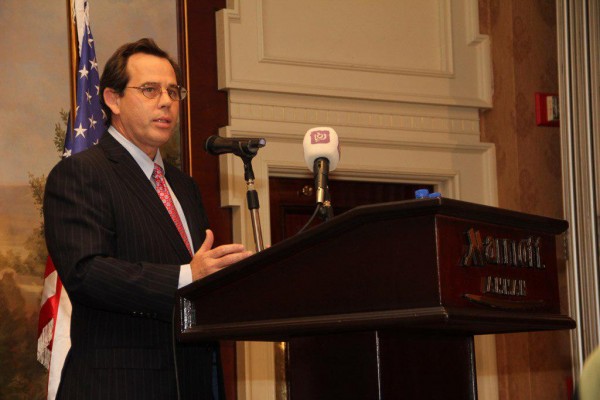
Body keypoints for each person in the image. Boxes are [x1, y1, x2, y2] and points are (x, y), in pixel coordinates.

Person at [43, 38, 252, 400]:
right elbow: (86, 273)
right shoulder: (81, 174)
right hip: (119, 387)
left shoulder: (183, 185)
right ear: (113, 99)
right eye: (150, 90)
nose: (166, 101)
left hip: (191, 383)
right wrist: (188, 276)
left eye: (173, 91)